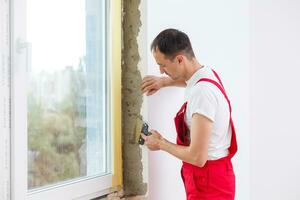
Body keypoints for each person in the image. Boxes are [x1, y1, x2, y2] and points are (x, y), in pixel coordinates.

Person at [141, 28, 237, 200]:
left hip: (209, 182)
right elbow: (188, 81)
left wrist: (160, 143)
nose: (161, 70)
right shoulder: (205, 74)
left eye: (162, 65)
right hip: (211, 176)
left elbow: (197, 157)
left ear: (179, 59)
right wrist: (163, 82)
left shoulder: (202, 94)